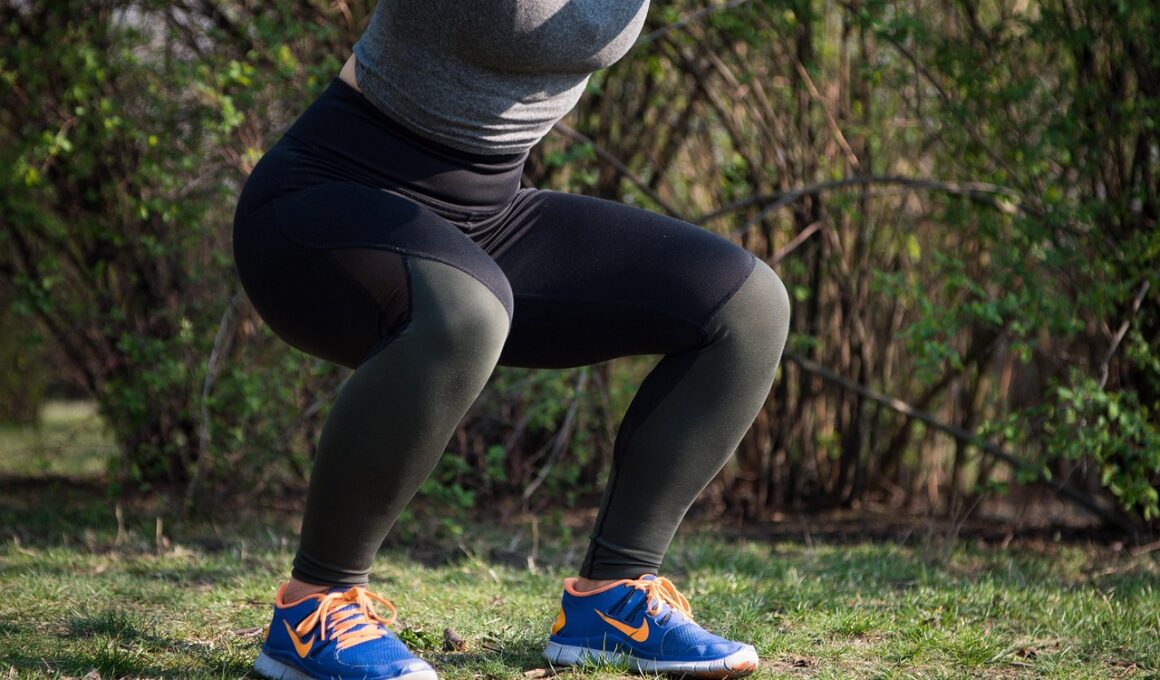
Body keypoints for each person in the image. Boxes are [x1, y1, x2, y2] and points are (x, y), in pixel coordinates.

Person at [232, 1, 791, 678]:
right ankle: (312, 607)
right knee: (466, 311)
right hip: (320, 203)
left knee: (746, 308)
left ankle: (612, 603)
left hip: (488, 219)